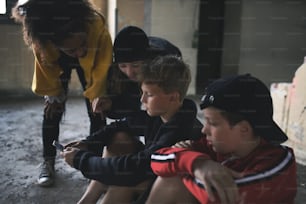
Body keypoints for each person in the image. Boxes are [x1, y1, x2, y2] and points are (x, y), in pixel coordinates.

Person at [61, 55, 202, 203]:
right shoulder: (159, 113)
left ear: (173, 98)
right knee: (119, 137)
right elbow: (120, 125)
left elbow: (136, 168)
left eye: (149, 94)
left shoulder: (180, 131)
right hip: (151, 170)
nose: (142, 100)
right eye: (142, 93)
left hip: (170, 188)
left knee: (122, 183)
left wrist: (81, 160)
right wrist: (88, 143)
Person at [147, 74, 297, 204]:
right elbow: (156, 159)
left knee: (174, 180)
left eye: (212, 123)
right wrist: (197, 164)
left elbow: (218, 197)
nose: (204, 130)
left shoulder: (278, 161)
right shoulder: (215, 147)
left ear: (244, 129)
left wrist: (182, 165)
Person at [11, 0, 113, 187]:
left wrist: (99, 93)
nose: (79, 52)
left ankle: (95, 163)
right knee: (52, 110)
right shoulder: (43, 37)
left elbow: (102, 65)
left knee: (97, 111)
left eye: (81, 45)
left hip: (94, 52)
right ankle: (48, 161)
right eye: (73, 49)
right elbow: (44, 66)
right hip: (58, 59)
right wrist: (52, 94)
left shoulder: (95, 26)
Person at [92, 25, 182, 121]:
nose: (130, 73)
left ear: (147, 60)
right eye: (123, 66)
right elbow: (129, 106)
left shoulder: (164, 67)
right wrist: (111, 104)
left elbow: (164, 111)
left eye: (135, 65)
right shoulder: (116, 72)